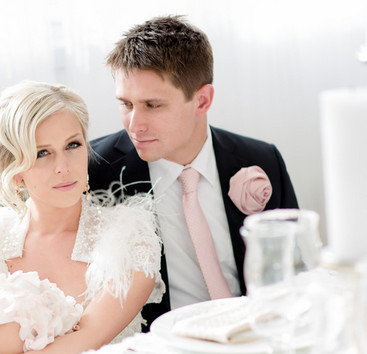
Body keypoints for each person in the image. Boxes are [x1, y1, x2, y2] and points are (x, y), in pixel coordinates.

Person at [0, 80, 164, 354]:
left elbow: (89, 337)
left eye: (73, 145)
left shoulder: (128, 238)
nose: (63, 167)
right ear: (15, 170)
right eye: (42, 153)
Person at [88, 15, 298, 328]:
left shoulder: (262, 159)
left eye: (153, 105)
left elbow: (294, 270)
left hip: (257, 334)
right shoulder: (96, 170)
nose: (135, 124)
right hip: (157, 352)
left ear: (202, 100)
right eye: (126, 104)